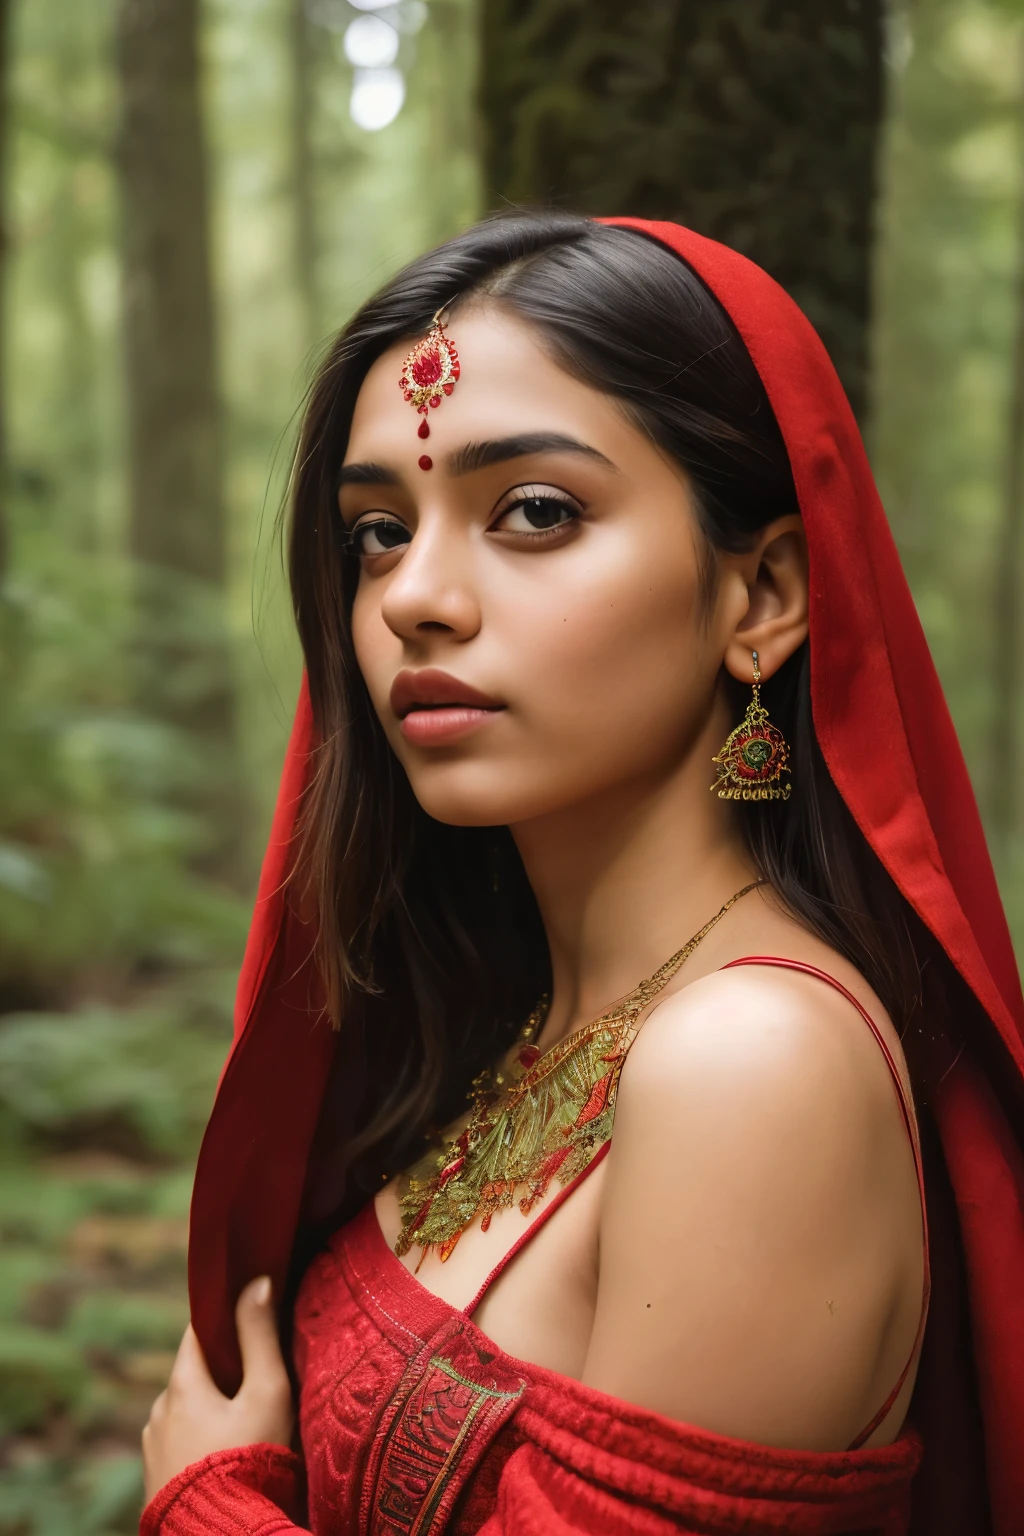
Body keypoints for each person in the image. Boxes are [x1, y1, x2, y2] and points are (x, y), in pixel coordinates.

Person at [138, 214, 1024, 1536]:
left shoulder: (754, 1060)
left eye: (536, 512)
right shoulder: (521, 1020)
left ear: (762, 596)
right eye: (378, 530)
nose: (412, 599)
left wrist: (208, 1504)